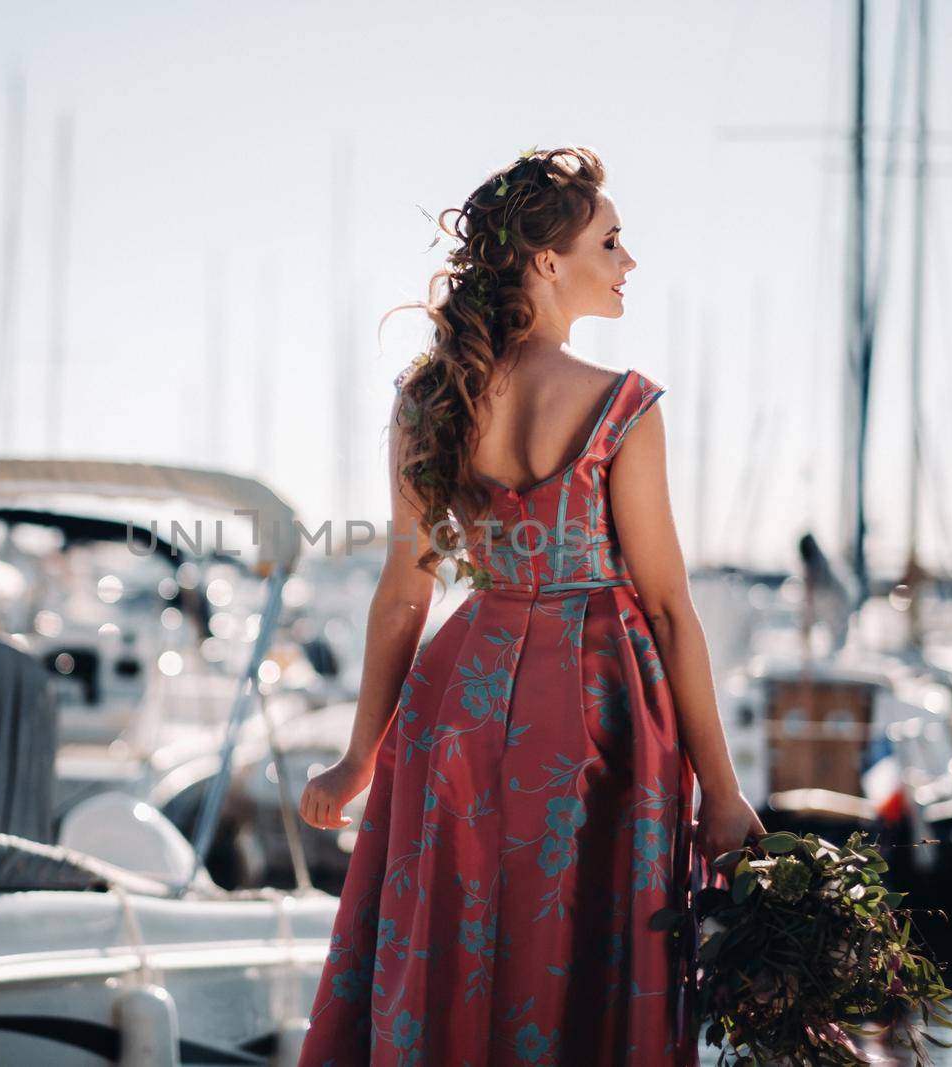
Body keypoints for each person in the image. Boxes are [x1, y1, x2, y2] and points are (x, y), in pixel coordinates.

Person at [294, 146, 762, 1065]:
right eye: (613, 240)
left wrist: (360, 757)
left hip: (456, 700)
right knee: (579, 959)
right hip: (599, 704)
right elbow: (668, 609)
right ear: (549, 260)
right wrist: (724, 790)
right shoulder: (622, 405)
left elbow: (403, 593)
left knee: (462, 944)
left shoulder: (429, 399)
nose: (629, 262)